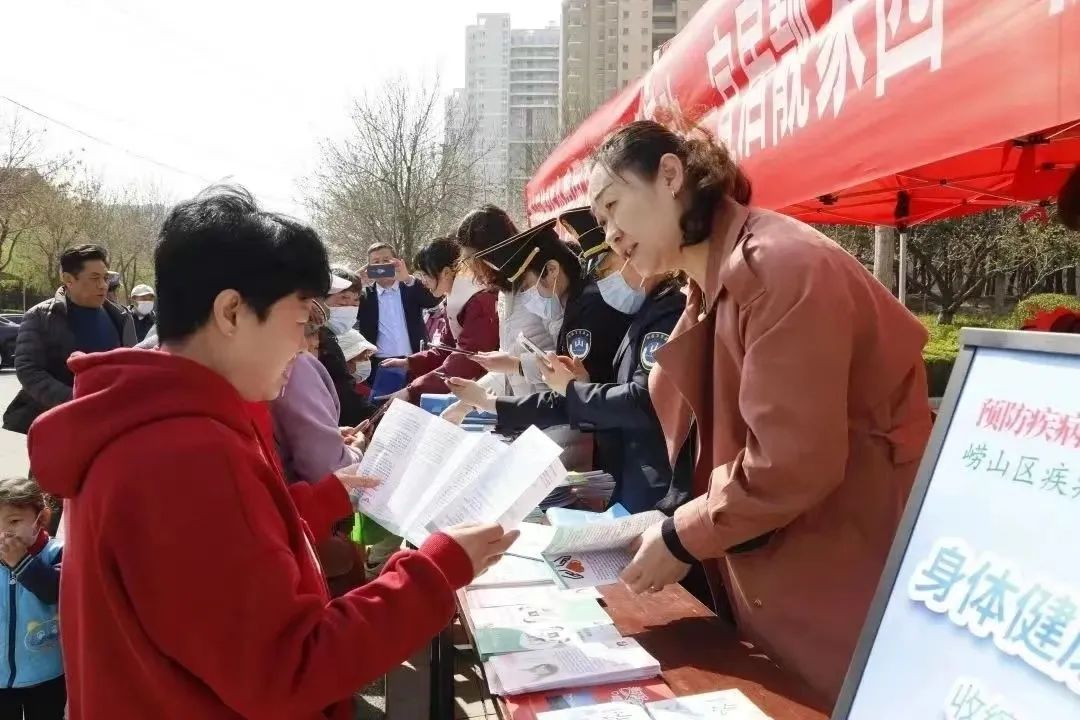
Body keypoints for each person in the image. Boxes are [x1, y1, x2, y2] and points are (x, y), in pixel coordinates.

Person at [26, 185, 516, 719]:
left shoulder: (158, 425)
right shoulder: (184, 456)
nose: (308, 342)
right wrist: (437, 570)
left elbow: (214, 570)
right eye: (302, 317)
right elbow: (287, 668)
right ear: (232, 311)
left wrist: (313, 502)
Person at [587, 121, 932, 706]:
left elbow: (789, 463)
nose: (612, 235)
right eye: (600, 224)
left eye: (614, 206)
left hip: (845, 570)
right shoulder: (707, 288)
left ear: (671, 175)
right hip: (780, 571)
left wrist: (680, 536)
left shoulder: (779, 267)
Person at [3, 245, 137, 434]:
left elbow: (133, 368)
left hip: (110, 425)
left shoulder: (121, 317)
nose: (103, 285)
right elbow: (28, 370)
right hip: (57, 426)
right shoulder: (40, 316)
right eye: (94, 278)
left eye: (105, 278)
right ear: (68, 279)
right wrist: (75, 400)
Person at [379, 236, 498, 404]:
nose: (423, 281)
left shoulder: (479, 301)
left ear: (446, 272)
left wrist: (412, 390)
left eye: (426, 274)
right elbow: (446, 349)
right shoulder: (456, 299)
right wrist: (409, 362)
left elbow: (466, 360)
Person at [453, 205, 556, 398]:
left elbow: (566, 363)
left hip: (552, 410)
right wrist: (468, 400)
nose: (472, 270)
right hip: (522, 410)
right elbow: (505, 366)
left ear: (491, 252)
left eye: (471, 260)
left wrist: (514, 364)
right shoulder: (505, 292)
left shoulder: (540, 286)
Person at [0, 476, 64, 720]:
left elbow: (55, 591)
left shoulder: (58, 554)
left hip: (48, 676)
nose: (3, 533)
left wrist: (21, 563)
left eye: (14, 521)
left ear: (42, 519)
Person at [355, 243, 441, 384]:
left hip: (413, 359)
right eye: (376, 262)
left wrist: (407, 278)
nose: (381, 265)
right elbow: (337, 308)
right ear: (368, 267)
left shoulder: (410, 286)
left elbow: (432, 300)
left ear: (396, 262)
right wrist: (355, 283)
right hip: (381, 364)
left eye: (386, 260)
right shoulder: (364, 296)